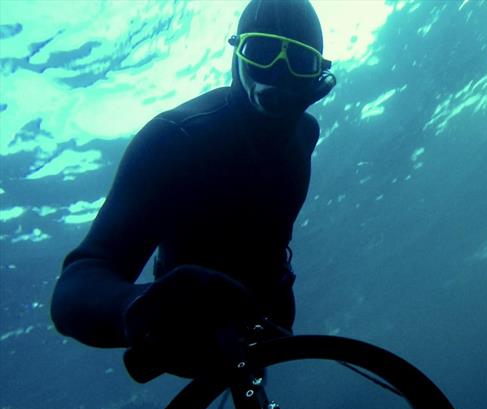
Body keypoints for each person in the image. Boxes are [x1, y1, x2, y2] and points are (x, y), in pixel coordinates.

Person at [50, 0, 336, 382]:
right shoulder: (174, 140)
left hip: (272, 319)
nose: (278, 76)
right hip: (186, 334)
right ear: (237, 53)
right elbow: (75, 286)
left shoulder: (306, 133)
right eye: (262, 52)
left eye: (299, 61)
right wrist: (137, 307)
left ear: (317, 74)